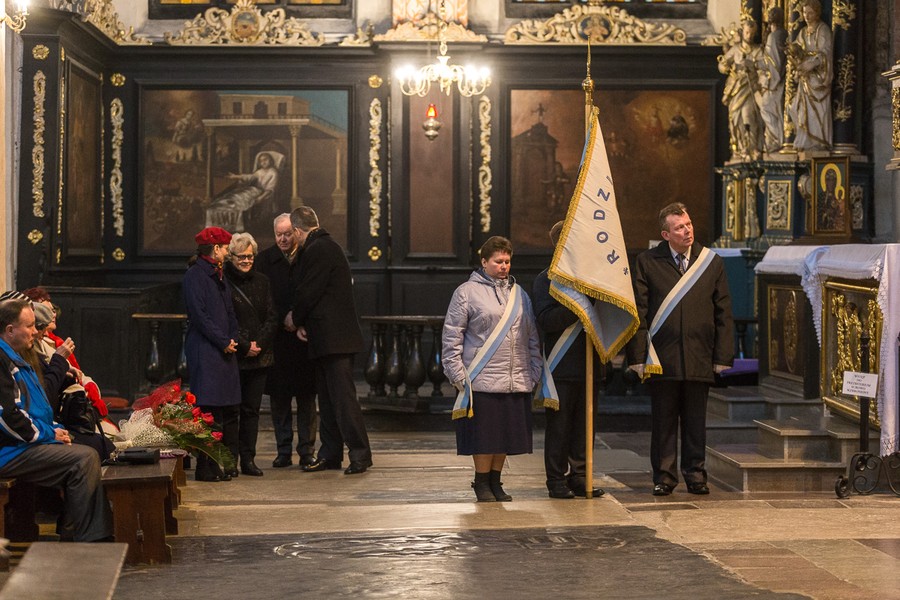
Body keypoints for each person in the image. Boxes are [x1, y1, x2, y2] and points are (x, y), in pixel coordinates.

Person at [626, 203, 733, 496]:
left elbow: (723, 310)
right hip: (662, 356)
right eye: (679, 228)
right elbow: (639, 311)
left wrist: (723, 356)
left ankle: (696, 475)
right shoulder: (648, 261)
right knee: (664, 421)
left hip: (700, 353)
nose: (687, 231)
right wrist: (637, 356)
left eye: (688, 224)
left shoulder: (711, 262)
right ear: (665, 234)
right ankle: (664, 476)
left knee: (696, 421)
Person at [0, 297, 113, 542]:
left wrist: (54, 429)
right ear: (10, 330)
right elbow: (8, 416)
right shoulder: (3, 360)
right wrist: (49, 434)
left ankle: (75, 534)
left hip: (20, 443)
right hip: (8, 450)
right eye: (29, 326)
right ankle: (91, 539)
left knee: (82, 450)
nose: (35, 331)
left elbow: (34, 408)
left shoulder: (14, 356)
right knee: (83, 459)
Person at [442, 236, 542, 502]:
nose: (504, 266)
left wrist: (533, 371)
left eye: (507, 261)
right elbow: (452, 336)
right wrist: (457, 374)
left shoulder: (520, 294)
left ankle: (496, 482)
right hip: (481, 379)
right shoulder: (466, 292)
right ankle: (481, 482)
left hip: (515, 376)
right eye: (498, 261)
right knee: (484, 437)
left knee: (506, 436)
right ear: (484, 262)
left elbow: (531, 335)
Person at [288, 206, 372, 475]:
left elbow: (309, 291)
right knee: (327, 400)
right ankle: (331, 454)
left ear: (298, 231)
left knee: (343, 401)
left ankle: (360, 455)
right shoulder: (324, 246)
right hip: (326, 339)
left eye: (293, 234)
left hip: (335, 341)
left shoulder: (319, 249)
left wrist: (295, 318)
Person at [532, 222, 604, 499]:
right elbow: (546, 320)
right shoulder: (546, 279)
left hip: (590, 362)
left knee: (585, 426)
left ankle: (581, 476)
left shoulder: (593, 280)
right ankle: (555, 478)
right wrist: (577, 308)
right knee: (560, 427)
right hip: (561, 366)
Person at [255, 214, 318, 469]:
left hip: (303, 339)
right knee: (279, 401)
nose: (283, 238)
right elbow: (262, 299)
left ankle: (306, 451)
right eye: (278, 234)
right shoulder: (264, 261)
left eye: (287, 234)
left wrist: (300, 320)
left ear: (295, 232)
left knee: (306, 399)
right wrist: (282, 320)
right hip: (277, 340)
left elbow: (312, 293)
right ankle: (283, 450)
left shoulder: (308, 255)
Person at [183, 226, 242, 482]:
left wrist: (234, 337)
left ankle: (219, 464)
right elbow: (200, 316)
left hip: (223, 350)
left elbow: (229, 310)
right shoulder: (195, 276)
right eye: (226, 248)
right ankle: (205, 467)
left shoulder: (219, 274)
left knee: (221, 413)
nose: (228, 252)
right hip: (206, 350)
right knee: (206, 412)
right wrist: (222, 341)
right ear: (215, 249)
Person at [224, 232, 278, 476]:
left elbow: (272, 316)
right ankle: (229, 460)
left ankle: (248, 460)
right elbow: (225, 320)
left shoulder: (263, 281)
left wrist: (260, 344)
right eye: (241, 256)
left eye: (250, 256)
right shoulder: (223, 281)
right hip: (234, 356)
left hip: (260, 357)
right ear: (231, 256)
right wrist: (246, 346)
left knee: (251, 411)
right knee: (231, 411)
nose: (246, 261)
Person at [787, 0, 833, 152]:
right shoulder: (802, 32)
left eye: (810, 13)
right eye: (804, 12)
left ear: (817, 13)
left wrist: (811, 64)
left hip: (818, 78)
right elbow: (797, 50)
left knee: (816, 111)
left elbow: (825, 52)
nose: (806, 16)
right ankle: (805, 139)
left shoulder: (823, 30)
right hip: (805, 78)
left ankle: (817, 141)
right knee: (795, 108)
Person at [718, 16, 763, 160]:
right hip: (736, 88)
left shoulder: (757, 51)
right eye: (746, 32)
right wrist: (726, 67)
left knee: (748, 116)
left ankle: (753, 147)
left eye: (751, 33)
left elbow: (764, 69)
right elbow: (722, 64)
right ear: (742, 32)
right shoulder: (735, 49)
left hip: (750, 89)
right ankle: (742, 149)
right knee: (736, 119)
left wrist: (753, 67)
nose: (749, 36)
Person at [205, 152, 280, 232]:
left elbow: (270, 189)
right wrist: (235, 177)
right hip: (253, 190)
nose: (263, 162)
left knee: (240, 202)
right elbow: (249, 177)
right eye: (261, 161)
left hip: (261, 193)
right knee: (234, 196)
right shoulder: (259, 171)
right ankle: (219, 211)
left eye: (265, 160)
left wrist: (261, 197)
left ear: (270, 161)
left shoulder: (273, 173)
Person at [756, 6, 787, 153]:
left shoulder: (774, 36)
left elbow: (775, 62)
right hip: (776, 80)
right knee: (774, 110)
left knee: (767, 108)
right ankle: (776, 138)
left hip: (774, 82)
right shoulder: (781, 34)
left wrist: (771, 82)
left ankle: (777, 139)